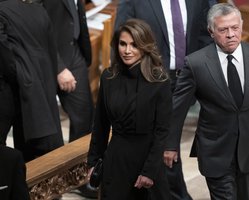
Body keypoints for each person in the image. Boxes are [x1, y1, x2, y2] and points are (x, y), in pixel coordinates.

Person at [164, 3, 249, 200]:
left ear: (241, 26)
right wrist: (170, 145)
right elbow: (178, 109)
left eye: (235, 28)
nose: (231, 34)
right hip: (214, 150)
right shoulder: (196, 63)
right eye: (223, 29)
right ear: (211, 32)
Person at [114, 1, 214, 199]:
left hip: (189, 78)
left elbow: (206, 35)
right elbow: (121, 36)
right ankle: (177, 195)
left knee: (164, 141)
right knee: (164, 141)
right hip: (152, 80)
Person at [87, 19, 172, 200]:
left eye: (134, 45)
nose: (127, 51)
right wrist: (93, 162)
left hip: (147, 162)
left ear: (145, 46)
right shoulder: (109, 77)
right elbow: (100, 125)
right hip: (116, 160)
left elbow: (162, 132)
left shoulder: (159, 80)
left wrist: (149, 171)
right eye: (123, 44)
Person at [0, 0, 64, 161]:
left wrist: (21, 75)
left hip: (13, 89)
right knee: (37, 146)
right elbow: (51, 51)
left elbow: (5, 55)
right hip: (42, 89)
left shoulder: (2, 11)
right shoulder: (39, 10)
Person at [42, 0, 94, 142]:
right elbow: (37, 23)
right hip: (49, 57)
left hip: (75, 50)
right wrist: (58, 67)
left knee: (85, 116)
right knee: (46, 129)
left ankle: (79, 163)